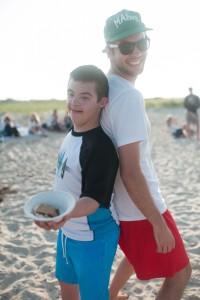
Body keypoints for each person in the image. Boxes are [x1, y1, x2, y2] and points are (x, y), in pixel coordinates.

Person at [101, 9, 192, 300]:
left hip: (123, 206)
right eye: (126, 47)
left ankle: (111, 294)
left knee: (136, 256)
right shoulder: (128, 96)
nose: (136, 51)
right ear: (108, 50)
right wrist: (157, 221)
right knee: (180, 274)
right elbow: (131, 170)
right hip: (139, 208)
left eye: (142, 42)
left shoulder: (104, 86)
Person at [34, 65, 120, 300]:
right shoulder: (70, 135)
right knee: (66, 285)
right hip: (67, 231)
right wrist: (56, 215)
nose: (74, 102)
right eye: (71, 94)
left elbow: (94, 200)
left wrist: (62, 215)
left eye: (84, 97)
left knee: (93, 296)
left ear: (102, 102)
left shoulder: (100, 147)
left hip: (94, 236)